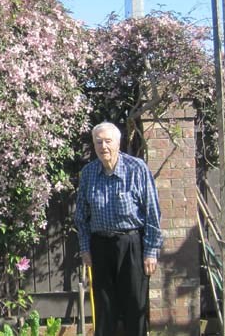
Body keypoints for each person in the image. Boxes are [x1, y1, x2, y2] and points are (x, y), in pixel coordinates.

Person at [74, 122, 162, 336]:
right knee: (104, 309)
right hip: (100, 246)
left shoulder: (137, 168)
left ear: (118, 143)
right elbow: (80, 216)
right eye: (98, 142)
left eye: (107, 141)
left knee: (134, 304)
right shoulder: (88, 173)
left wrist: (150, 251)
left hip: (131, 244)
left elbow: (152, 212)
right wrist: (85, 249)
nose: (103, 146)